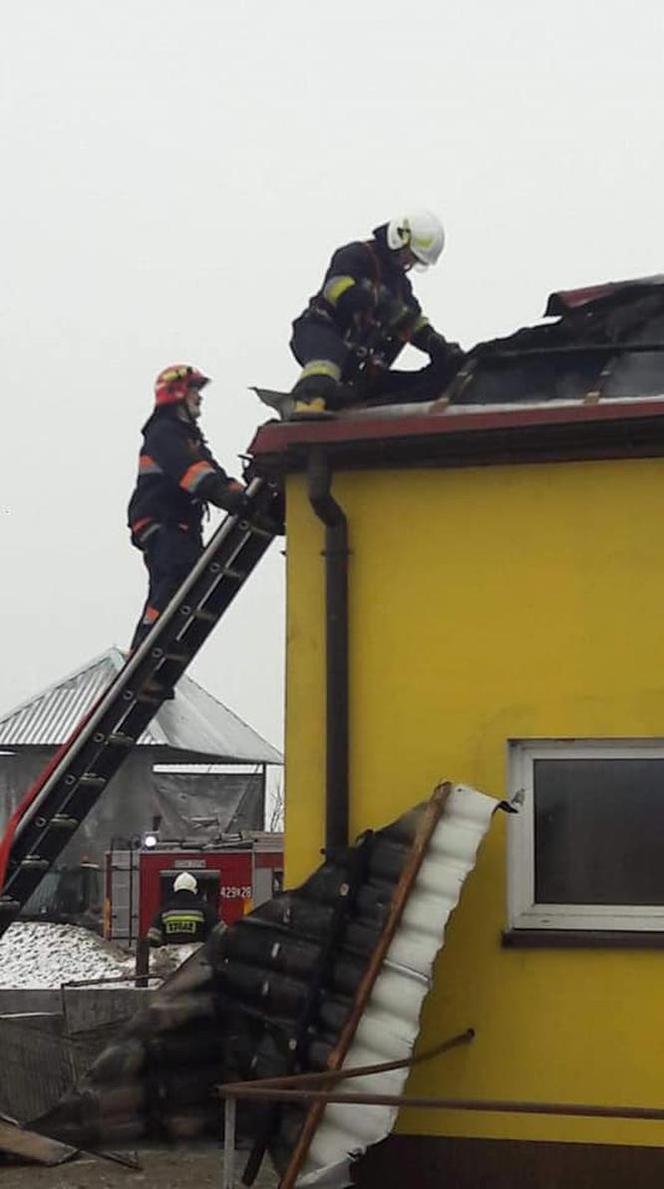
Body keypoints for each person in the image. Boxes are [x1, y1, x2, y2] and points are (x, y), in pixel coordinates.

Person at [288, 210, 465, 418]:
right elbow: (335, 289)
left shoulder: (400, 286)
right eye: (410, 255)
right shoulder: (357, 255)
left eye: (416, 260)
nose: (409, 264)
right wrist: (375, 302)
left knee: (381, 385)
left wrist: (437, 344)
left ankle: (338, 405)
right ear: (399, 238)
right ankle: (307, 405)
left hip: (355, 356)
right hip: (321, 328)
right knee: (327, 359)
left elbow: (411, 321)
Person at [128, 364, 246, 651]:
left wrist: (237, 490)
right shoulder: (164, 432)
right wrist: (221, 493)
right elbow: (192, 472)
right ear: (177, 392)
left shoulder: (187, 436)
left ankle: (154, 647)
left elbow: (210, 469)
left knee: (178, 583)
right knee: (179, 576)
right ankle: (146, 645)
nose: (200, 398)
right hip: (161, 521)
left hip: (178, 524)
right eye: (195, 391)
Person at [147, 870, 218, 947]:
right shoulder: (205, 909)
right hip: (198, 956)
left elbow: (153, 938)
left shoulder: (165, 911)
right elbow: (221, 935)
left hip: (171, 957)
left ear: (175, 888)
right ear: (195, 890)